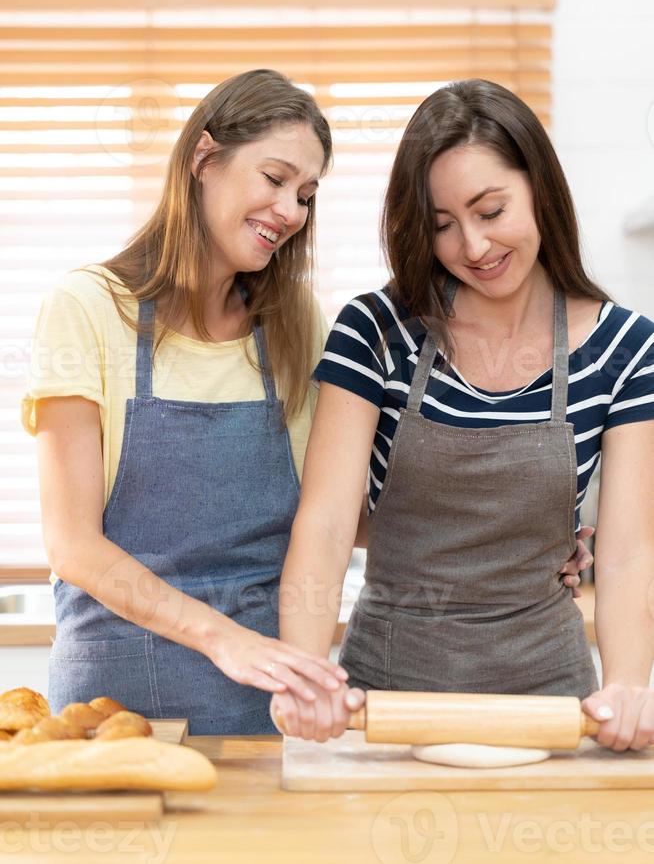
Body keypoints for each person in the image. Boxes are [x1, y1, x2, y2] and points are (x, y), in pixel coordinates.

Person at [273, 79, 654, 752]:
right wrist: (305, 675)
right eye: (442, 225)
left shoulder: (625, 351)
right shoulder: (376, 331)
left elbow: (627, 552)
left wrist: (626, 683)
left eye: (491, 209)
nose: (473, 246)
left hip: (553, 707)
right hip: (384, 705)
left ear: (539, 187)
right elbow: (328, 523)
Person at [22, 69, 350, 735]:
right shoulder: (87, 307)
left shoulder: (295, 325)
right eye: (275, 178)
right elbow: (74, 546)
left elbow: (338, 509)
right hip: (112, 715)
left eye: (306, 195)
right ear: (204, 158)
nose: (291, 210)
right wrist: (223, 638)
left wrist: (519, 531)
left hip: (262, 709)